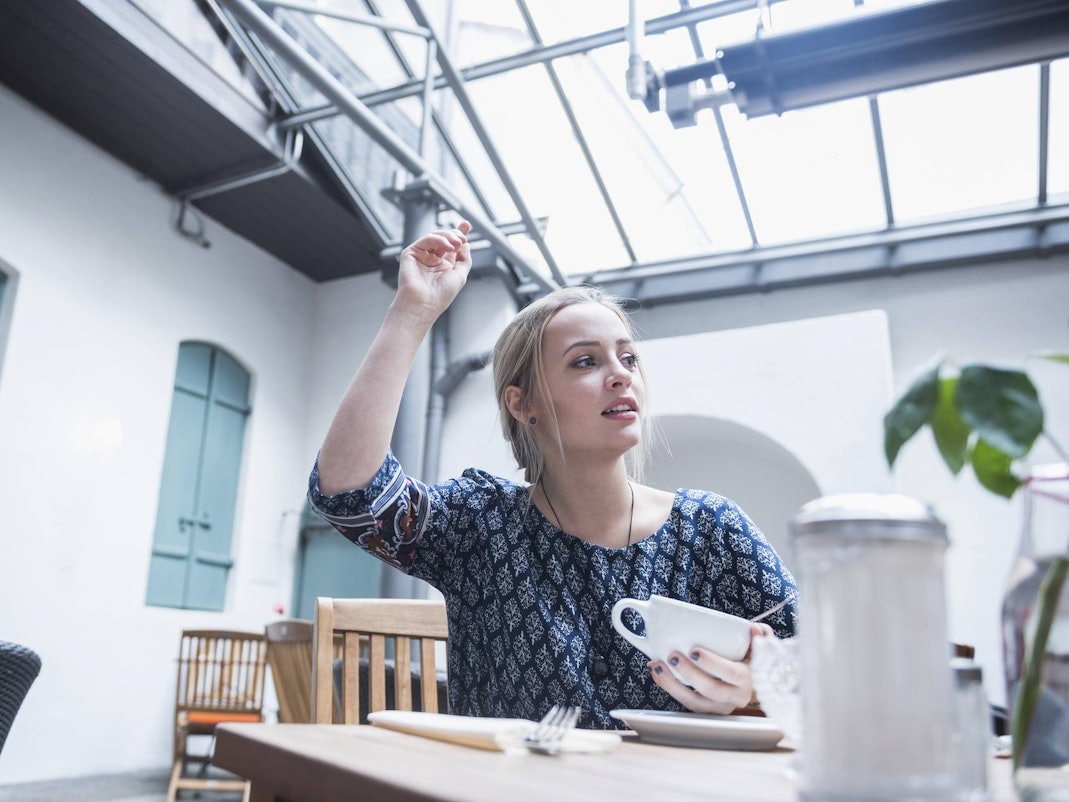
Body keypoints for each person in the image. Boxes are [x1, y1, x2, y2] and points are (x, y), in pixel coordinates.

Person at [308, 220, 798, 729]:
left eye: (628, 357)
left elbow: (823, 667)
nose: (621, 373)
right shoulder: (481, 524)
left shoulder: (712, 529)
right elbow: (350, 493)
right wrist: (412, 312)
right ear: (524, 405)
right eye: (586, 361)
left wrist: (754, 688)